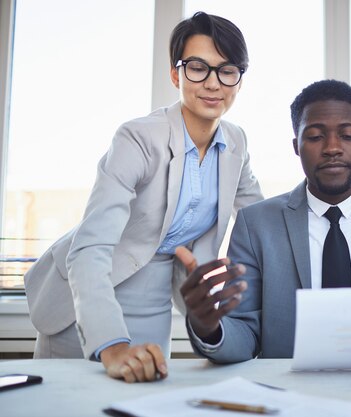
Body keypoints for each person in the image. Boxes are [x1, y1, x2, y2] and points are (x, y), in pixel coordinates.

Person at [23, 12, 263, 383]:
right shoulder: (137, 138)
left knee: (144, 398)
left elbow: (261, 222)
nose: (213, 83)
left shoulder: (237, 144)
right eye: (198, 67)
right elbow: (89, 248)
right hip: (87, 295)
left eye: (227, 70)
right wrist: (112, 345)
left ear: (239, 80)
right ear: (175, 74)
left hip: (156, 298)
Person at [176, 79, 351, 374]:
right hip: (289, 396)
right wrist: (209, 328)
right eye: (315, 136)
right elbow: (245, 333)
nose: (332, 148)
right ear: (296, 147)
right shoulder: (256, 224)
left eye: (347, 135)